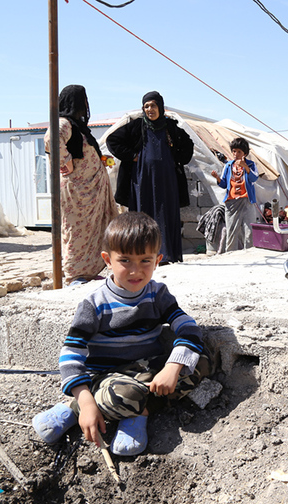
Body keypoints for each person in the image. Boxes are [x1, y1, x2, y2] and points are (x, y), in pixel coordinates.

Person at [31, 211, 211, 456]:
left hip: (147, 371)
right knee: (127, 392)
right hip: (107, 378)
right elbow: (71, 355)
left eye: (145, 261)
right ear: (108, 259)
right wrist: (84, 402)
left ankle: (135, 408)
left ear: (158, 260)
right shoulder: (95, 304)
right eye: (125, 260)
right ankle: (77, 409)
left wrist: (173, 366)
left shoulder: (158, 294)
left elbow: (188, 327)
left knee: (201, 362)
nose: (136, 271)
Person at [106, 91, 194, 264]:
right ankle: (143, 254)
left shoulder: (170, 127)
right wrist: (132, 155)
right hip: (142, 180)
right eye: (146, 106)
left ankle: (166, 254)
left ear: (160, 107)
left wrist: (178, 159)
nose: (150, 109)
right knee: (143, 214)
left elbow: (188, 144)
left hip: (167, 180)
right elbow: (112, 140)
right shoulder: (137, 126)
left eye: (153, 105)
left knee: (165, 213)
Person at [45, 85, 118, 285]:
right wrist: (65, 160)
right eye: (83, 101)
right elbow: (52, 140)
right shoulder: (63, 123)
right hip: (78, 193)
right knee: (76, 231)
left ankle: (87, 272)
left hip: (91, 191)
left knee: (93, 230)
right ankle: (75, 275)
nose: (86, 106)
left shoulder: (77, 127)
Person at [211, 137, 259, 252]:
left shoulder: (251, 165)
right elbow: (223, 184)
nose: (236, 154)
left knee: (249, 230)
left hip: (247, 201)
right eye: (234, 151)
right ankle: (231, 254)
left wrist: (245, 167)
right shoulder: (228, 166)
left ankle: (250, 253)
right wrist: (217, 178)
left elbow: (254, 178)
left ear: (245, 153)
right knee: (231, 230)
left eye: (239, 152)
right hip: (231, 202)